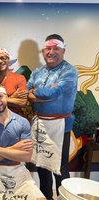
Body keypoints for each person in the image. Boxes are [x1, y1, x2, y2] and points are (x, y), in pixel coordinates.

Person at [27, 34, 78, 199]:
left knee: (59, 167)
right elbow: (27, 91)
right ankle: (46, 197)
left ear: (63, 50)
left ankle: (65, 197)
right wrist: (40, 94)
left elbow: (54, 92)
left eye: (56, 48)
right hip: (40, 123)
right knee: (42, 165)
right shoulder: (37, 71)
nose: (51, 52)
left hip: (60, 124)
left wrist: (38, 92)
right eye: (48, 48)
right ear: (43, 51)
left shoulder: (69, 71)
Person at [0, 84, 45, 200]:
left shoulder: (23, 122)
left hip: (18, 169)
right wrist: (15, 148)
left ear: (7, 97)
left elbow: (27, 156)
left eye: (0, 96)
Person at [0, 47, 28, 115]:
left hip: (15, 119)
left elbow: (22, 103)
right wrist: (12, 97)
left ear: (8, 59)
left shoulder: (20, 78)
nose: (0, 61)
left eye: (3, 58)